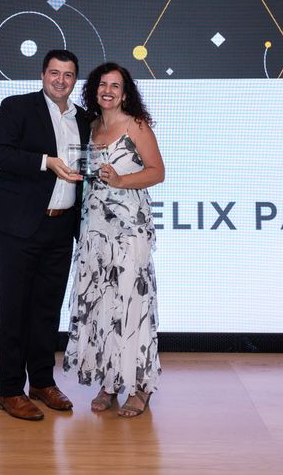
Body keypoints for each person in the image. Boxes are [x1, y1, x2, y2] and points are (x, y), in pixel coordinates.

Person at [0, 49, 92, 421]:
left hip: (61, 226)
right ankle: (10, 389)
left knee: (47, 308)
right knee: (13, 308)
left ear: (75, 80)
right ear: (43, 74)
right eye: (54, 73)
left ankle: (42, 382)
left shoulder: (84, 119)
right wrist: (46, 162)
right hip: (17, 226)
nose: (61, 80)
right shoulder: (17, 107)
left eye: (68, 74)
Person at [63, 62, 165, 418]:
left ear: (125, 93)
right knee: (102, 304)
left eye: (115, 85)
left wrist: (120, 181)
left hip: (129, 229)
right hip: (94, 229)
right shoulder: (91, 126)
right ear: (93, 90)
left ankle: (139, 386)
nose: (108, 90)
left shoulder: (136, 125)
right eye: (102, 84)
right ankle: (110, 382)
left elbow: (157, 172)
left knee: (131, 304)